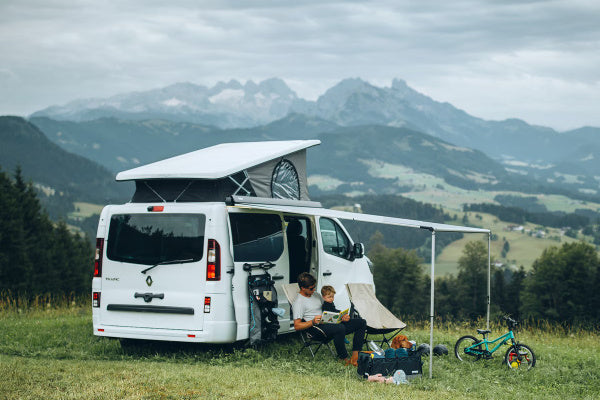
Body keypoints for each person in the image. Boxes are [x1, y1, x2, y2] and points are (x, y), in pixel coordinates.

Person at [292, 273, 366, 366]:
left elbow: (328, 308)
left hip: (328, 322)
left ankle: (355, 357)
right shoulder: (298, 302)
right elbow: (297, 326)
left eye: (314, 287)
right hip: (316, 329)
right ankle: (343, 358)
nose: (314, 290)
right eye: (311, 288)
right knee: (340, 328)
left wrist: (341, 316)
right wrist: (312, 321)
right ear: (303, 288)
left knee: (361, 322)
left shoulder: (316, 295)